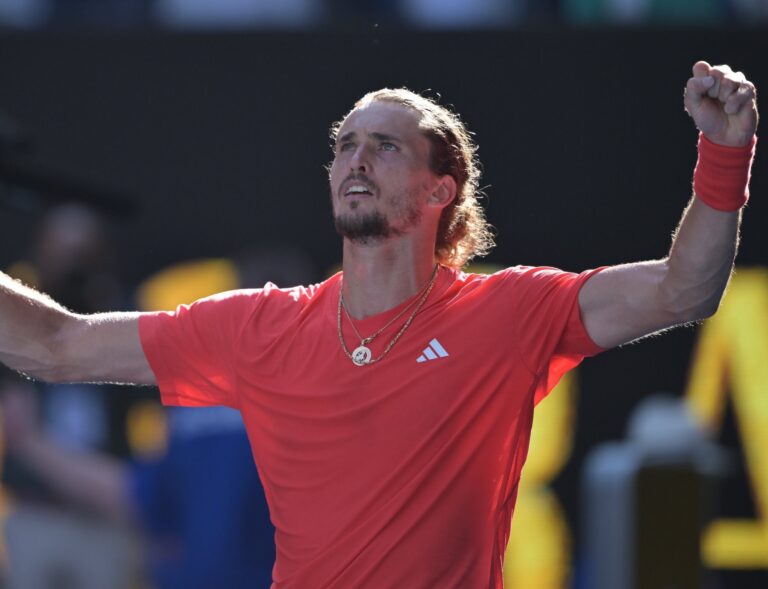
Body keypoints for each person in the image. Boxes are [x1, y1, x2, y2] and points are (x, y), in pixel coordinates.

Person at [0, 60, 758, 588]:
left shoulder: (509, 311)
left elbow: (683, 289)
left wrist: (724, 155)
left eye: (384, 145)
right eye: (345, 145)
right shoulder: (261, 326)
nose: (356, 159)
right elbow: (55, 345)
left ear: (440, 188)